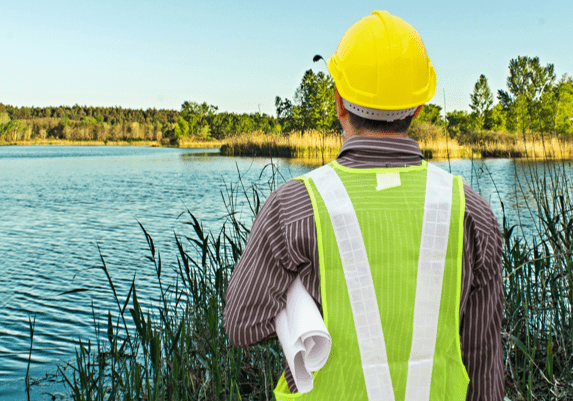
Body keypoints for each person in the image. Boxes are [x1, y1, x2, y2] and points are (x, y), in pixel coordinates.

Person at [223, 10, 503, 401]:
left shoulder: (292, 207)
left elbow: (242, 324)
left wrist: (297, 303)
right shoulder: (472, 212)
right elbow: (483, 365)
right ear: (419, 107)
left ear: (339, 102)